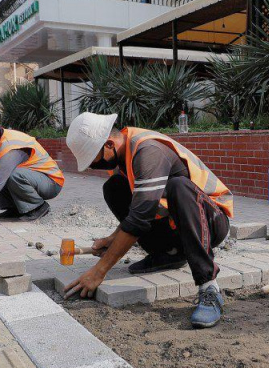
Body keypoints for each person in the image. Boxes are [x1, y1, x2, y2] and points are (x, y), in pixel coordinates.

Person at [63, 113, 234, 328]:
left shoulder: (147, 151)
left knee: (178, 186)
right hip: (179, 226)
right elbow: (140, 207)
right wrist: (111, 239)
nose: (95, 166)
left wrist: (98, 272)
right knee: (115, 187)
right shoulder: (126, 157)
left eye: (95, 160)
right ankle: (168, 255)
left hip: (211, 222)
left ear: (109, 144)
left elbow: (139, 218)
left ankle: (209, 288)